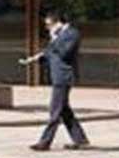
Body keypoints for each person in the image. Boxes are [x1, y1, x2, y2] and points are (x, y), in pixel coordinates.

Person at [22, 14, 89, 151]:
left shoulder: (72, 34)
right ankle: (80, 139)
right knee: (64, 110)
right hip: (57, 76)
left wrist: (54, 39)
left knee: (55, 110)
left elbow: (64, 53)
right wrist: (34, 59)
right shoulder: (58, 37)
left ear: (58, 23)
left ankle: (45, 142)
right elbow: (49, 53)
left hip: (64, 77)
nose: (47, 28)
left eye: (48, 25)